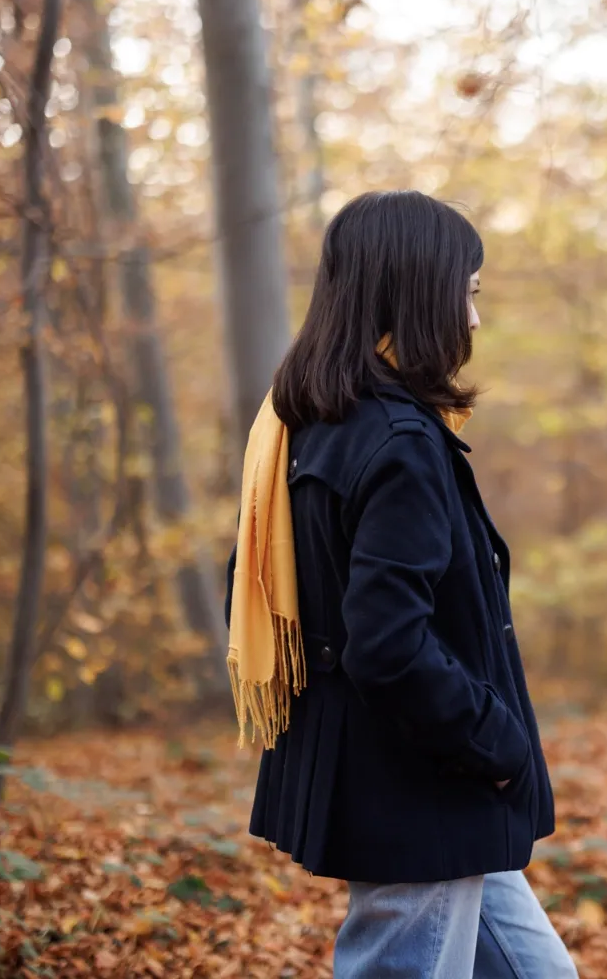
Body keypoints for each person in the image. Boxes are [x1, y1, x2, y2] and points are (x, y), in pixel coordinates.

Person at [224, 190, 576, 978]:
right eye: (469, 292)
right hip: (419, 784)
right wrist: (493, 739)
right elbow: (387, 645)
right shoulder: (398, 441)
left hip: (412, 783)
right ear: (420, 291)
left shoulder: (306, 426)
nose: (475, 320)